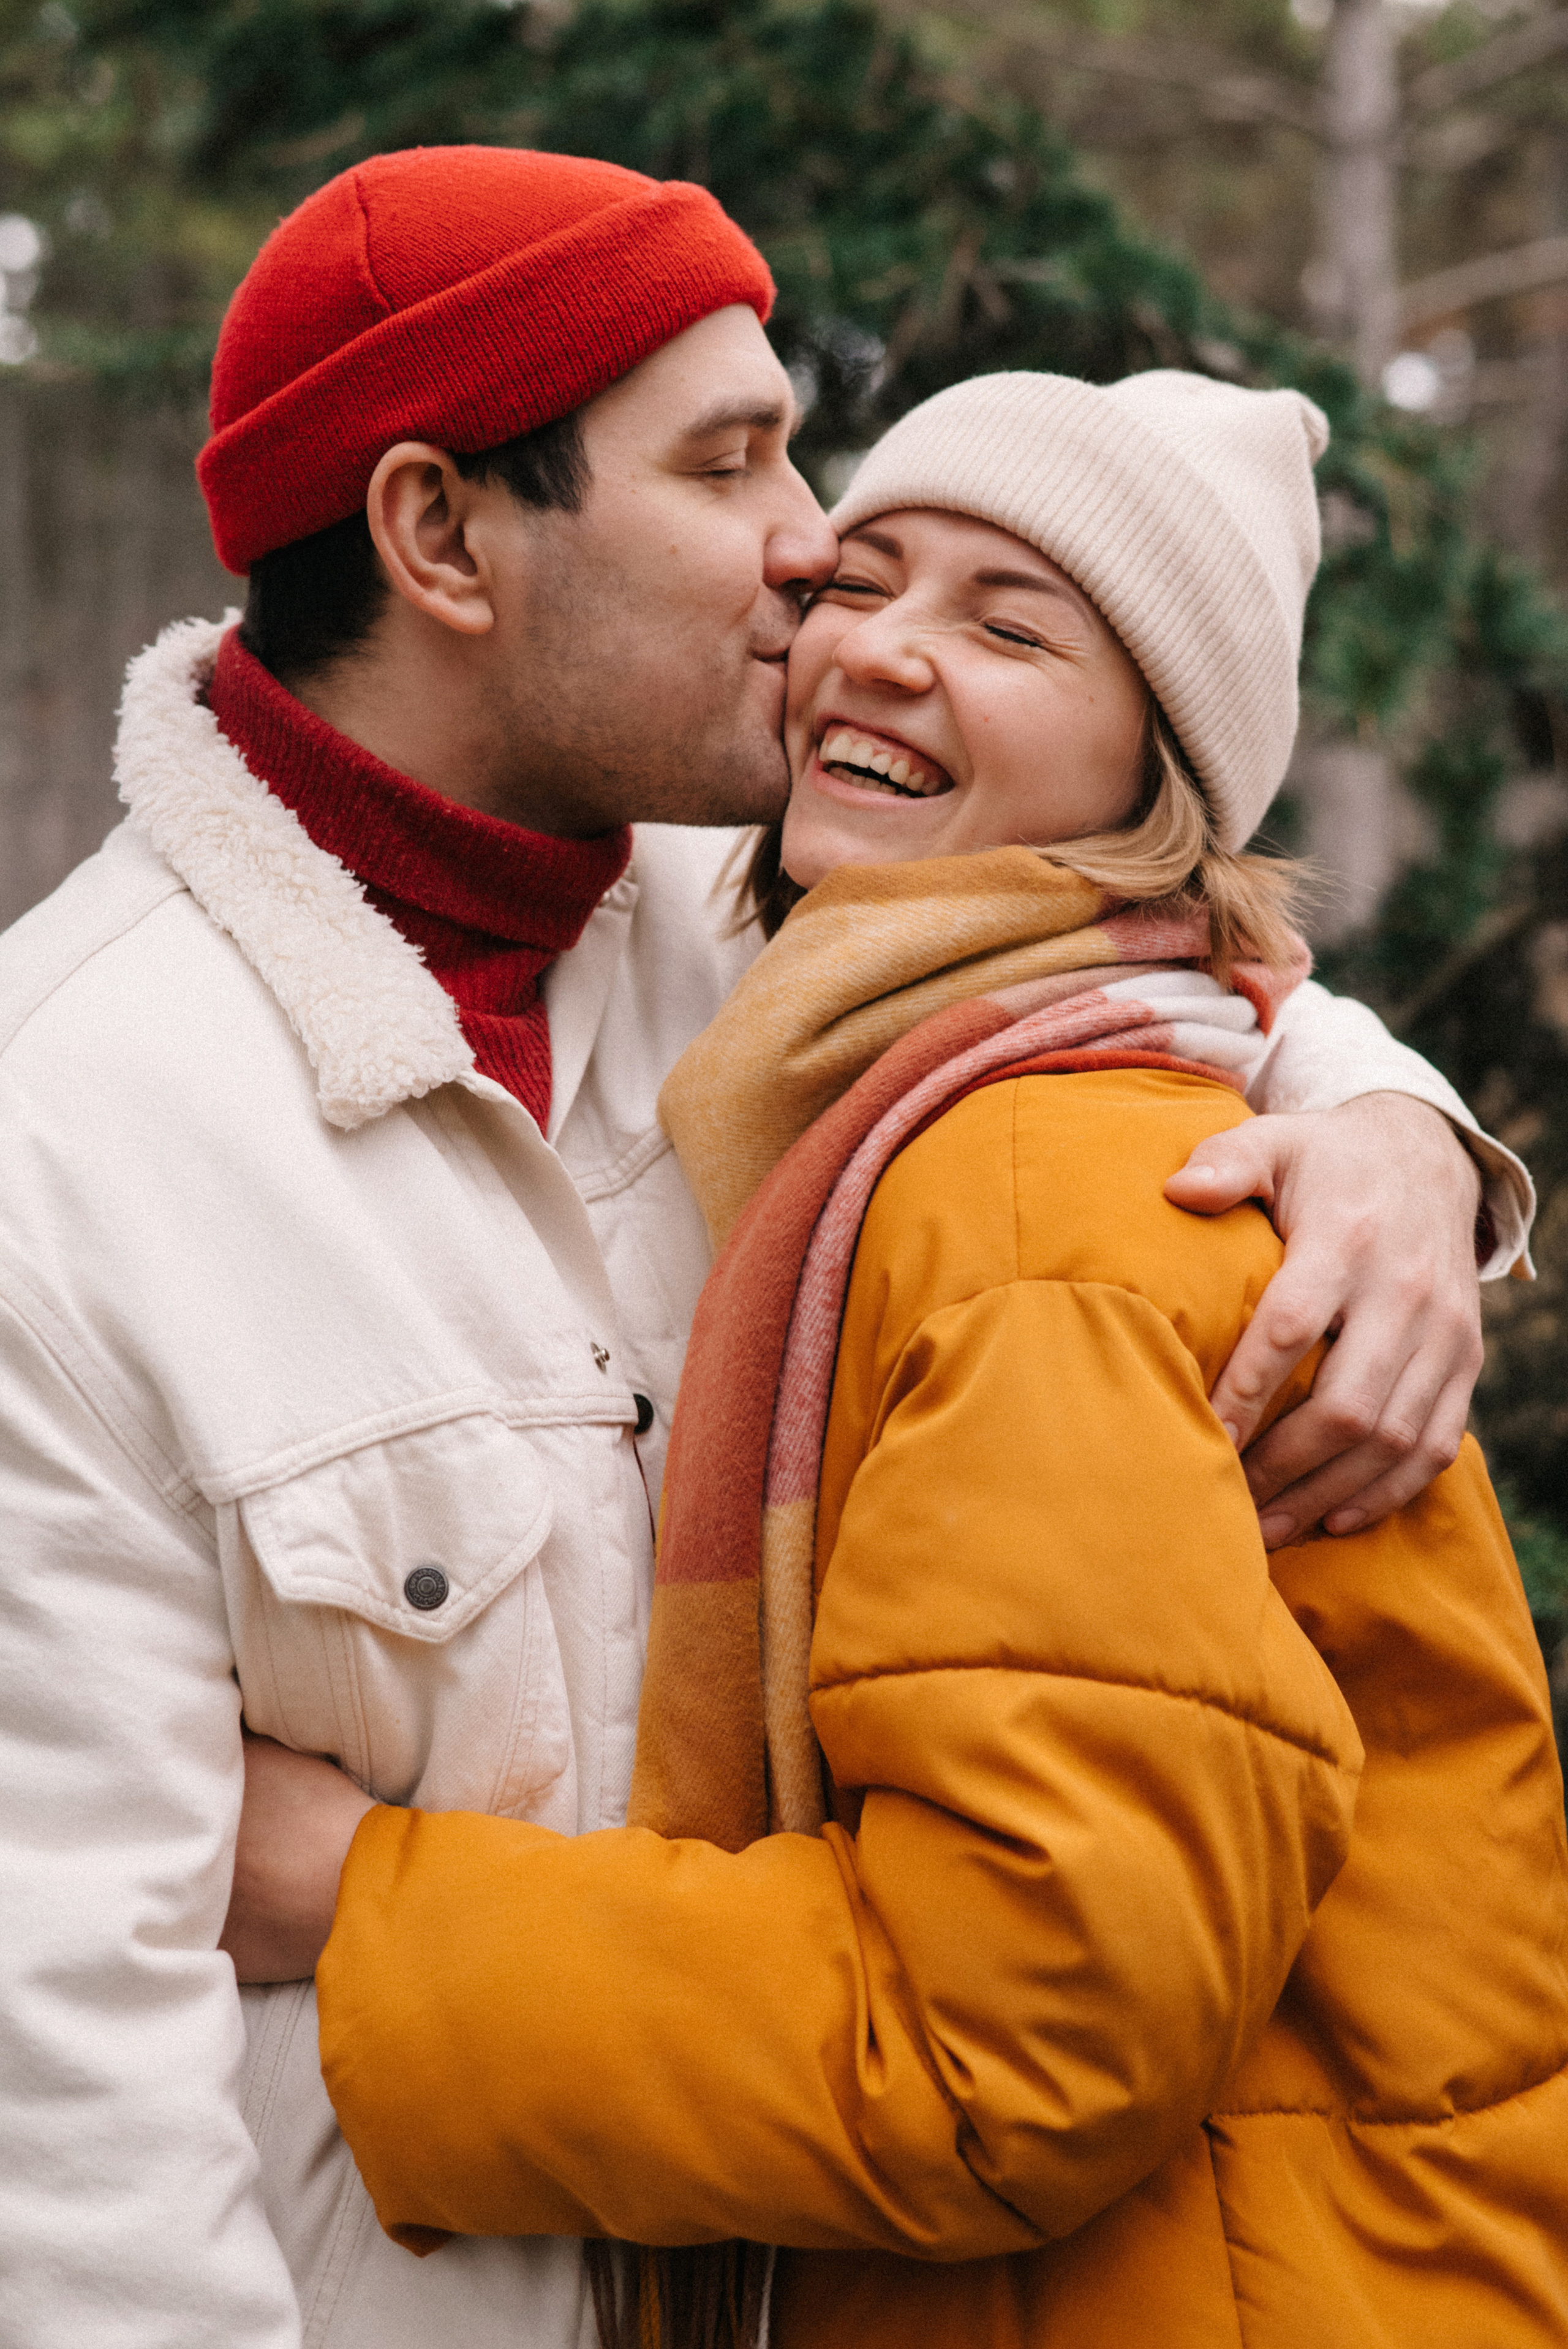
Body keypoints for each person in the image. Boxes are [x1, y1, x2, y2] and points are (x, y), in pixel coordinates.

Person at [0, 138, 1532, 2349]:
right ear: (441, 535)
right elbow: (69, 2142)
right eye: (734, 465)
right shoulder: (74, 1144)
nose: (815, 552)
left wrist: (1386, 1124)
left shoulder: (774, 967)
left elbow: (1116, 960)